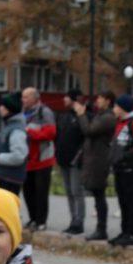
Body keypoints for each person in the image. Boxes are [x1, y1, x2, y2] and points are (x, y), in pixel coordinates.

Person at [74, 91, 116, 241]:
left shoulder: (108, 117)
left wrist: (81, 114)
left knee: (99, 194)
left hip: (100, 160)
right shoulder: (102, 115)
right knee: (97, 195)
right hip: (94, 159)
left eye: (100, 98)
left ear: (108, 101)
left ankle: (101, 228)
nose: (97, 100)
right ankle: (100, 228)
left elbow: (89, 130)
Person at [108, 95, 133, 247]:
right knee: (122, 202)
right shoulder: (119, 123)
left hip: (130, 167)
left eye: (116, 106)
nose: (113, 109)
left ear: (122, 108)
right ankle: (124, 232)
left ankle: (131, 234)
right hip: (119, 168)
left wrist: (125, 156)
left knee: (130, 202)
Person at [21, 87, 56, 230]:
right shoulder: (22, 113)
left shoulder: (45, 112)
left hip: (42, 159)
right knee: (28, 191)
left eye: (26, 97)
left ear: (35, 98)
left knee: (41, 192)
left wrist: (30, 133)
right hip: (27, 159)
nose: (23, 100)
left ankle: (41, 221)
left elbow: (50, 133)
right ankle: (33, 218)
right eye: (23, 97)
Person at [0, 92, 28, 195]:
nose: (0, 108)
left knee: (6, 210)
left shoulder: (17, 130)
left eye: (2, 106)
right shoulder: (9, 126)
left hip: (11, 179)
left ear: (9, 109)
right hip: (5, 177)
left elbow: (18, 156)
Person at [56, 89, 85, 235]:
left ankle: (79, 221)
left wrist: (79, 156)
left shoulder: (81, 116)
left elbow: (85, 135)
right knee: (69, 191)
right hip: (64, 159)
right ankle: (73, 219)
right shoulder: (63, 116)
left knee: (76, 191)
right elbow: (58, 136)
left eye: (66, 97)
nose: (64, 100)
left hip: (76, 160)